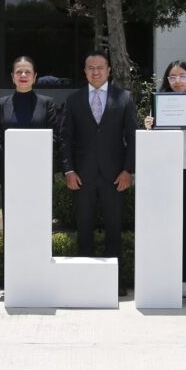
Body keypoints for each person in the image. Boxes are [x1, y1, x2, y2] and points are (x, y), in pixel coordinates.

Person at [61, 50, 137, 270]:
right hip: (82, 176)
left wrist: (128, 170)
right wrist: (68, 170)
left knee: (114, 228)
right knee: (84, 227)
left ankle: (116, 281)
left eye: (100, 68)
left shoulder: (123, 98)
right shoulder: (73, 99)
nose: (96, 72)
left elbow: (132, 138)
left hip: (115, 176)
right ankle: (85, 278)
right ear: (85, 71)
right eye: (91, 68)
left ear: (109, 71)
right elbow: (65, 138)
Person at [143, 60, 186, 298]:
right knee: (167, 227)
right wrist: (149, 128)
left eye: (182, 76)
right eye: (172, 77)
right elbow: (152, 145)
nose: (177, 81)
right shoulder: (158, 106)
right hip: (168, 175)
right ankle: (166, 276)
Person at [0, 56, 58, 217]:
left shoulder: (47, 103)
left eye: (27, 72)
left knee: (38, 217)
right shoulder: (1, 104)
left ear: (35, 77)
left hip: (39, 172)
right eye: (19, 72)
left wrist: (32, 162)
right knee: (13, 218)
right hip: (10, 172)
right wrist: (16, 163)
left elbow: (54, 138)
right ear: (12, 77)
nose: (23, 75)